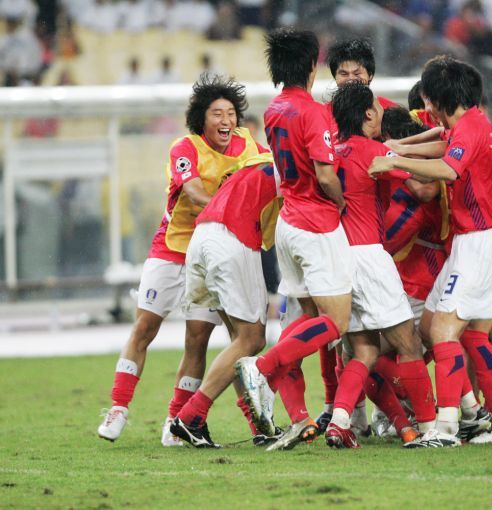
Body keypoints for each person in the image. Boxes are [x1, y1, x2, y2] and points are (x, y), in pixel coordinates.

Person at [97, 74, 269, 444]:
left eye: (231, 113)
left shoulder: (247, 145)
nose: (226, 120)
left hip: (211, 255)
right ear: (201, 118)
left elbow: (269, 173)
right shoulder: (185, 147)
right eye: (217, 113)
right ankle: (118, 407)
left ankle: (175, 419)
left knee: (197, 339)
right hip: (172, 249)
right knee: (145, 327)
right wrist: (230, 207)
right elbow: (192, 191)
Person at [370, 56, 492, 447]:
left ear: (436, 98)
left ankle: (447, 426)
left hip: (479, 242)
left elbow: (449, 169)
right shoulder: (471, 124)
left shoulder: (469, 128)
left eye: (427, 98)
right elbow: (443, 143)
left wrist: (394, 161)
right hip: (480, 241)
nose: (425, 106)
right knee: (443, 330)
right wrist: (400, 146)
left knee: (445, 331)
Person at [235, 28, 353, 452]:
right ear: (312, 68)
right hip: (315, 224)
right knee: (337, 322)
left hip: (287, 223)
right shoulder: (313, 112)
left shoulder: (273, 110)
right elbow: (325, 175)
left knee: (307, 315)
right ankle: (263, 367)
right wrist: (342, 202)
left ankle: (299, 415)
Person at [322, 81, 436, 449]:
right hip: (369, 255)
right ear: (369, 114)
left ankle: (339, 421)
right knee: (410, 345)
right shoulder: (372, 150)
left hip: (336, 258)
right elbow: (425, 187)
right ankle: (431, 428)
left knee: (365, 351)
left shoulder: (330, 151)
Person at [169, 157, 279, 448]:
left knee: (239, 341)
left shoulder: (256, 164)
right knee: (252, 339)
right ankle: (190, 417)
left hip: (202, 238)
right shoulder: (296, 165)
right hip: (232, 239)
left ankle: (258, 425)